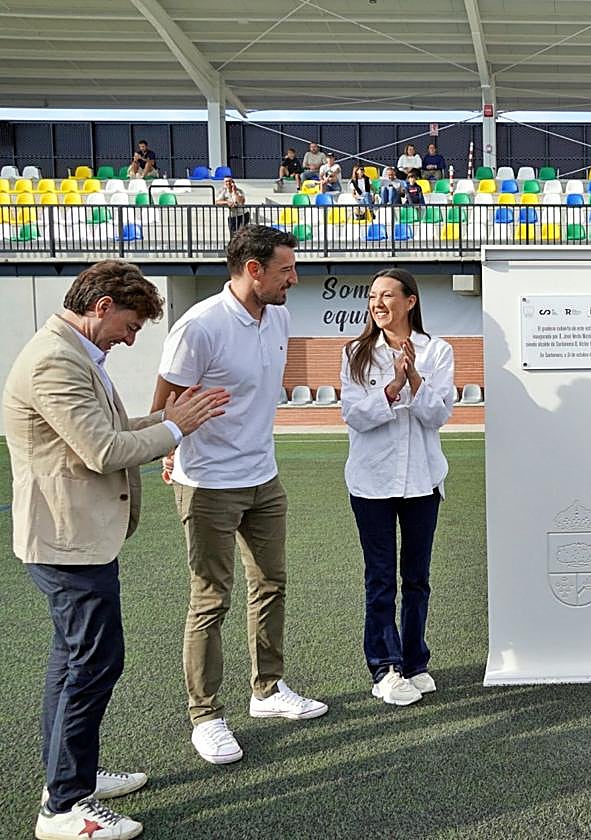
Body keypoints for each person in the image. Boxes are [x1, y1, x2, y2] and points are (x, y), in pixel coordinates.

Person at [4, 261, 228, 840]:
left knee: (71, 661)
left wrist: (169, 418)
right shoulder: (56, 359)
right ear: (102, 305)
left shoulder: (71, 351)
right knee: (94, 662)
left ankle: (69, 779)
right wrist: (175, 429)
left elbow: (117, 425)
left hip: (73, 537)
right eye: (130, 325)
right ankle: (63, 808)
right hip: (65, 540)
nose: (131, 338)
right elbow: (103, 450)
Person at [152, 225, 328, 766]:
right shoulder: (198, 327)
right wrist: (168, 448)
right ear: (252, 269)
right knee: (211, 599)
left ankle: (267, 691)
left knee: (271, 583)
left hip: (263, 476)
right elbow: (164, 401)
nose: (294, 279)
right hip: (207, 482)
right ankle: (205, 716)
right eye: (285, 270)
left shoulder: (278, 316)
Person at [340, 269, 456, 707]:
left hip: (423, 481)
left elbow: (437, 416)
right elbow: (355, 415)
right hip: (372, 482)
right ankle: (385, 668)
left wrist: (415, 381)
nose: (378, 303)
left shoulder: (437, 351)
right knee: (381, 578)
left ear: (410, 301)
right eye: (373, 296)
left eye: (388, 295)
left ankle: (414, 661)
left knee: (417, 578)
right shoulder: (356, 352)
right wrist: (391, 388)